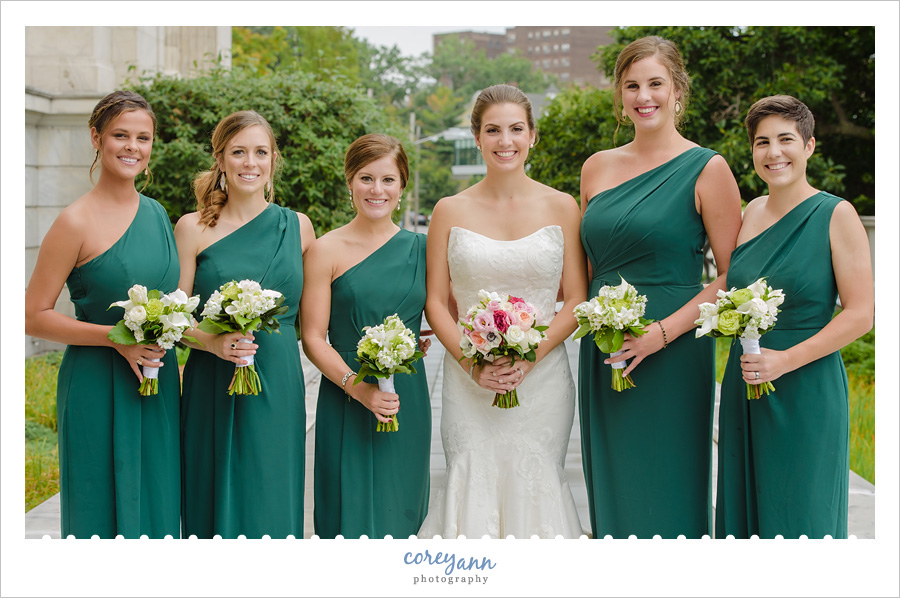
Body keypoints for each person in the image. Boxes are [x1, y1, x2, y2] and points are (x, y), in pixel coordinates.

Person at [578, 36, 743, 538]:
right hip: (605, 347)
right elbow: (582, 271)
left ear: (677, 91)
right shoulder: (596, 167)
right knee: (614, 484)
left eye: (655, 83)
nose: (643, 95)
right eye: (632, 85)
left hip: (673, 348)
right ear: (620, 95)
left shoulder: (709, 168)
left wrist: (662, 334)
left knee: (670, 481)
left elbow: (732, 277)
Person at [418, 84, 587, 539]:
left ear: (533, 135)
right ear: (477, 138)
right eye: (492, 130)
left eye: (515, 129)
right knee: (472, 479)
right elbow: (436, 302)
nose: (505, 141)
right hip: (468, 381)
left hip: (543, 380)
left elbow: (576, 298)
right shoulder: (448, 210)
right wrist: (474, 366)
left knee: (536, 482)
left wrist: (532, 355)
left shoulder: (562, 206)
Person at [715, 95, 873, 539]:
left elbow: (861, 314)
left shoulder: (835, 214)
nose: (773, 152)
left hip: (806, 387)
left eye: (785, 139)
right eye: (761, 142)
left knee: (803, 513)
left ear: (809, 145)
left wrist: (784, 361)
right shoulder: (748, 214)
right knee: (747, 512)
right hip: (745, 382)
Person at [24, 90, 180, 538]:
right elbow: (32, 316)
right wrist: (117, 339)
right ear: (96, 138)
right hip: (96, 383)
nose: (133, 146)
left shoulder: (157, 214)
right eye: (120, 135)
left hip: (158, 383)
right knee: (100, 507)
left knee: (157, 501)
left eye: (143, 137)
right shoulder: (74, 222)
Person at [174, 110, 315, 539]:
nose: (249, 162)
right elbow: (175, 321)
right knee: (212, 492)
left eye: (260, 152)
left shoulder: (300, 228)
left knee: (270, 493)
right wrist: (213, 344)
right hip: (211, 383)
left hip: (278, 383)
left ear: (274, 160)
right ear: (220, 160)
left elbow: (316, 320)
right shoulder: (191, 228)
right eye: (238, 152)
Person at [300, 133, 432, 539]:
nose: (377, 190)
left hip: (405, 397)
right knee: (349, 514)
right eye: (366, 178)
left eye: (388, 180)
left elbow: (444, 312)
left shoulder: (423, 249)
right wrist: (358, 389)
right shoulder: (325, 250)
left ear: (402, 186)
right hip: (346, 395)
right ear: (350, 182)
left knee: (404, 510)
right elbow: (313, 337)